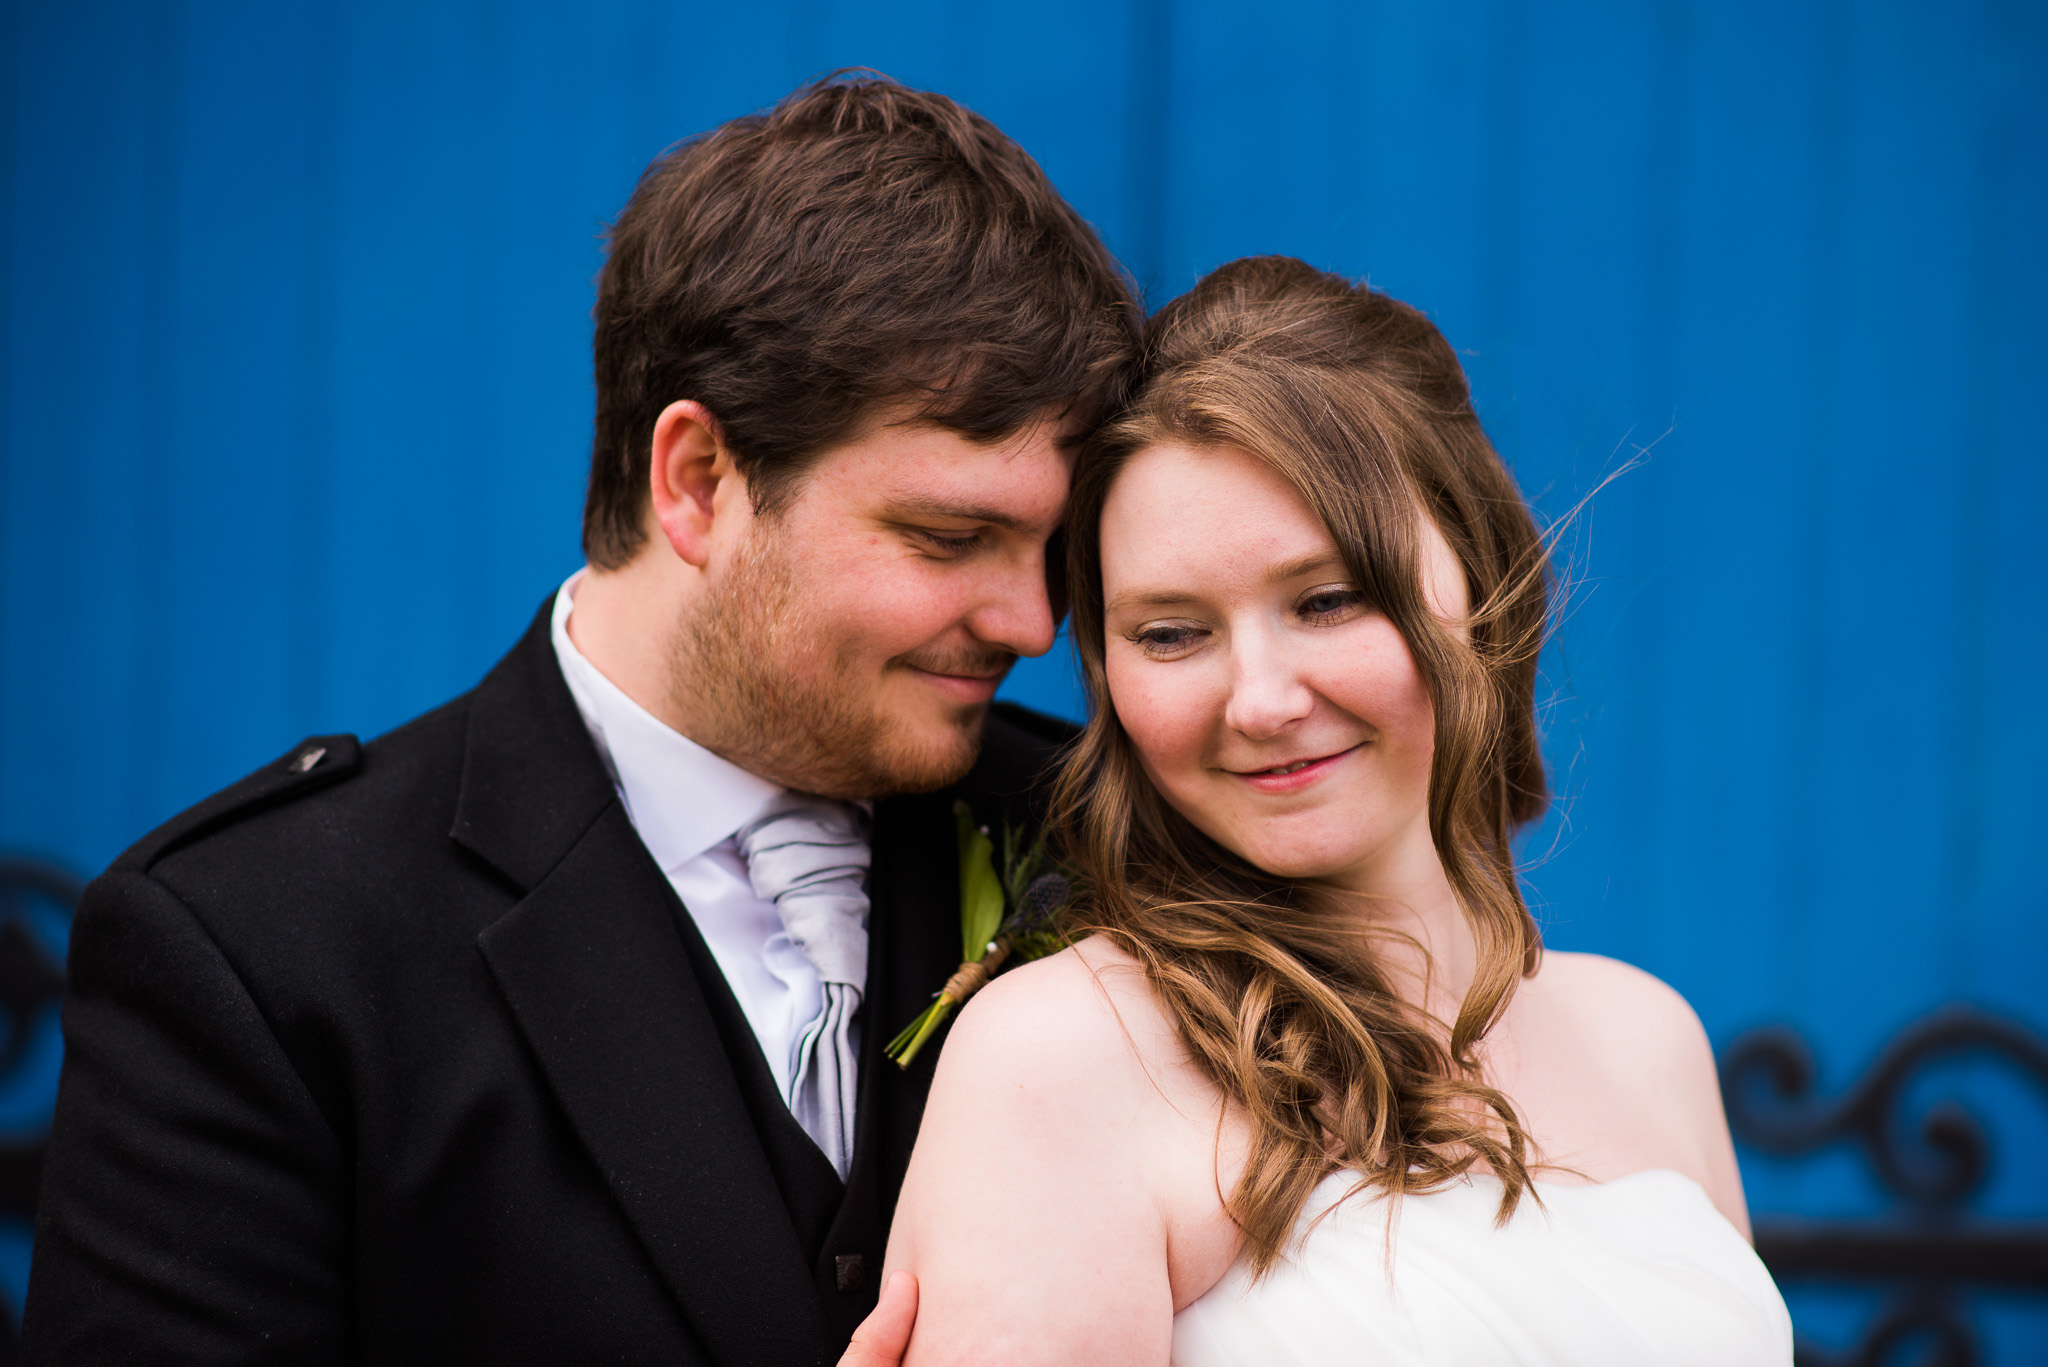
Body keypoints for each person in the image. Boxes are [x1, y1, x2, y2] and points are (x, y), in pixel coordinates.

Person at [21, 75, 1138, 1366]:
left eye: (1050, 547)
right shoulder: (262, 953)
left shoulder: (1108, 840)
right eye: (952, 535)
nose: (1033, 622)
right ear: (699, 480)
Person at [879, 257, 1795, 1365]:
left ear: (1480, 576)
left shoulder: (1646, 1038)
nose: (1260, 700)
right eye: (1171, 632)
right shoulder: (1061, 1059)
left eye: (1326, 601)